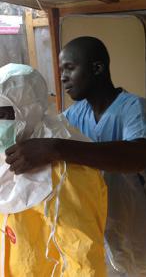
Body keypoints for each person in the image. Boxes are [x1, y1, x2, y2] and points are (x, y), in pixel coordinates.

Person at [6, 37, 146, 277]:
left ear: (97, 68)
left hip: (142, 232)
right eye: (60, 69)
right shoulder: (74, 116)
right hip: (102, 230)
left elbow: (138, 156)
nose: (63, 77)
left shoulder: (133, 108)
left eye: (70, 68)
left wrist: (55, 148)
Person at [0, 63, 107, 276]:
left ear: (27, 112)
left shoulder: (66, 173)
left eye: (3, 114)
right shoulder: (7, 153)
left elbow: (83, 260)